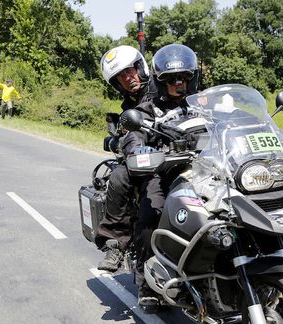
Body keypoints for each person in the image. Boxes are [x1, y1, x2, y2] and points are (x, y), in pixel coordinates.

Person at [96, 44, 199, 312]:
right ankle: (142, 278)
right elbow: (134, 132)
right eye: (121, 76)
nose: (178, 83)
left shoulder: (196, 99)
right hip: (157, 165)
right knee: (149, 208)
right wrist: (132, 147)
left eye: (131, 71)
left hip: (200, 164)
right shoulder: (145, 106)